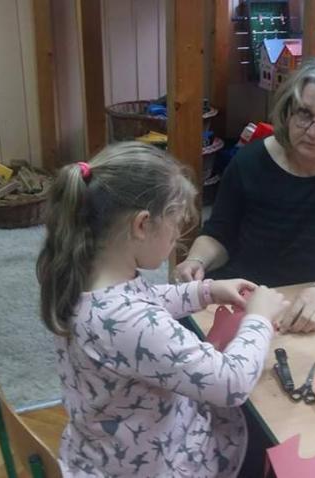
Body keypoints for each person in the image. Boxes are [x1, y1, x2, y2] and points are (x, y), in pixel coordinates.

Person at [36, 142, 288, 477]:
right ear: (142, 225)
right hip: (155, 465)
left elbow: (147, 298)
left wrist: (207, 290)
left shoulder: (83, 275)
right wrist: (259, 318)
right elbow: (232, 383)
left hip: (101, 450)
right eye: (176, 224)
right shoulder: (134, 322)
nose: (178, 238)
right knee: (271, 434)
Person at [176, 56, 315, 334]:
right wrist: (197, 260)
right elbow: (219, 234)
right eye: (304, 113)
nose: (312, 131)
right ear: (288, 111)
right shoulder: (250, 160)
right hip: (246, 297)